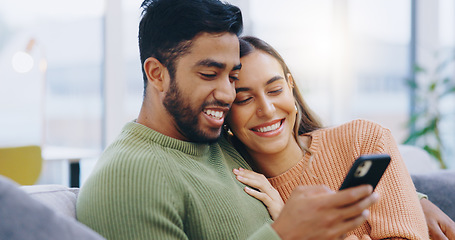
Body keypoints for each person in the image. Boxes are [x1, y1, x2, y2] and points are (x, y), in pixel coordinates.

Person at [76, 0, 379, 239]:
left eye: (232, 77)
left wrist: (412, 197)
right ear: (157, 74)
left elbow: (302, 159)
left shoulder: (218, 140)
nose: (227, 93)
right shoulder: (130, 177)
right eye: (209, 74)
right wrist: (285, 235)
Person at [226, 36, 454, 239]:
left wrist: (416, 198)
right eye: (244, 99)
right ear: (226, 110)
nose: (266, 109)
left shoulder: (363, 140)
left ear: (290, 86)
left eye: (275, 90)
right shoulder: (244, 192)